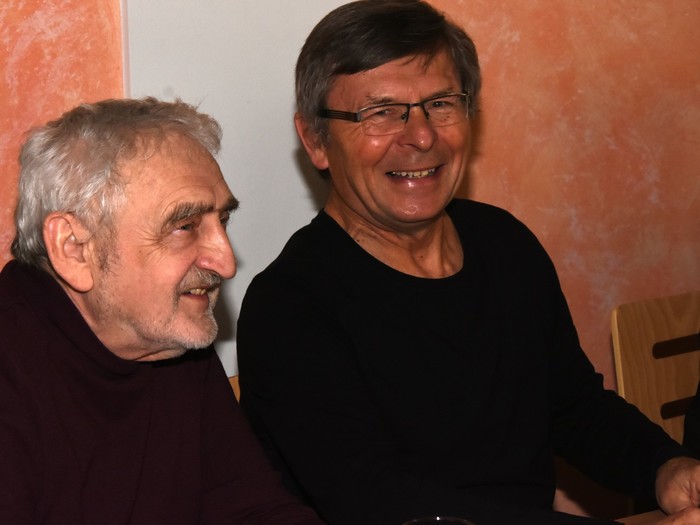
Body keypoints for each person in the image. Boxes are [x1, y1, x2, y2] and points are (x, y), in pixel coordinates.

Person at [236, 2, 700, 524]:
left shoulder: (504, 244)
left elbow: (574, 408)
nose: (421, 136)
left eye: (440, 104)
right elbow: (379, 501)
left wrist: (666, 468)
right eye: (381, 111)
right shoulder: (289, 308)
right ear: (315, 140)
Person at [0, 97, 323, 524]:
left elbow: (254, 509)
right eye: (184, 226)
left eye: (223, 221)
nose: (226, 262)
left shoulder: (168, 337)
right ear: (74, 248)